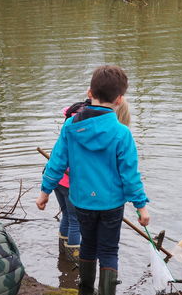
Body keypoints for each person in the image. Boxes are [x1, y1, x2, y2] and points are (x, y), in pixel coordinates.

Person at [36, 65, 149, 295]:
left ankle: (84, 294)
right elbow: (130, 176)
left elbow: (57, 162)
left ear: (89, 92)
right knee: (109, 250)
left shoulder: (70, 126)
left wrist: (45, 191)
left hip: (82, 201)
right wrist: (141, 207)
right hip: (111, 203)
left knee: (88, 244)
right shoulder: (122, 133)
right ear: (119, 100)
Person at [54, 98, 132, 263]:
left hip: (58, 180)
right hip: (71, 184)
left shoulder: (75, 123)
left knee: (67, 216)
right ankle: (74, 259)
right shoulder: (113, 133)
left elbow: (60, 157)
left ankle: (63, 257)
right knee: (75, 221)